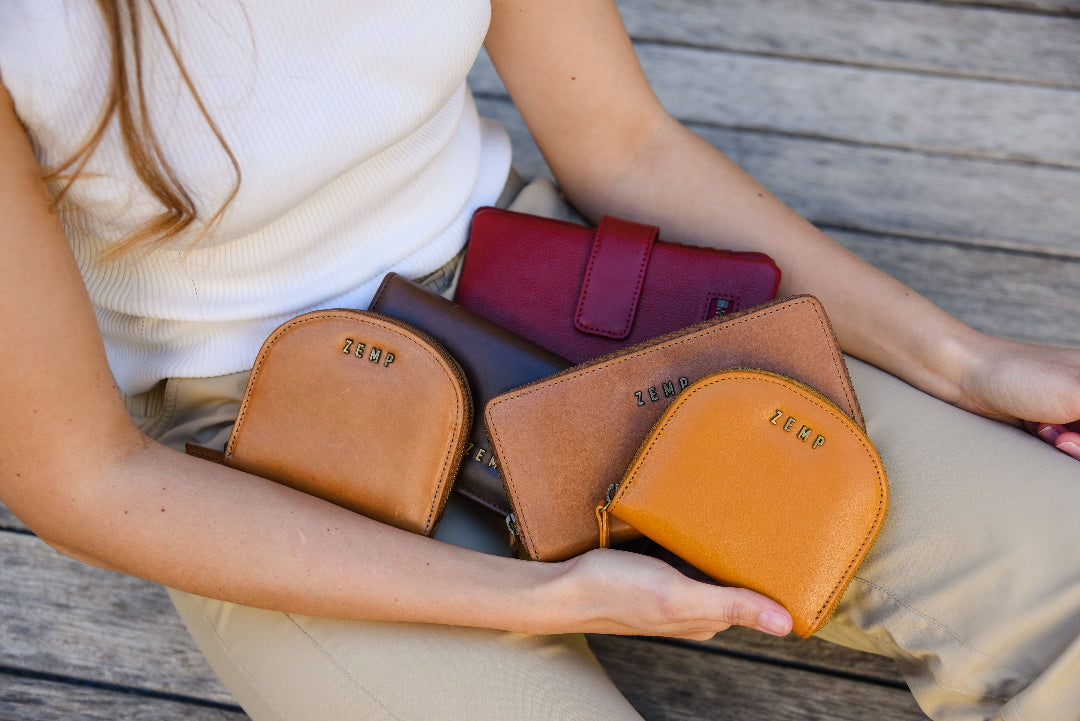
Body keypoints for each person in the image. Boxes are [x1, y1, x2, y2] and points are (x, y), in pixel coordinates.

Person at [1, 2, 1077, 720]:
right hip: (250, 449)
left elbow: (624, 146)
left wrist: (965, 361)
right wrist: (538, 596)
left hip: (552, 294)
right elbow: (81, 478)